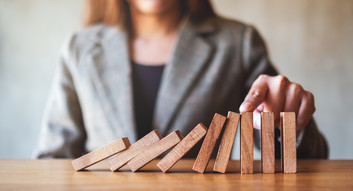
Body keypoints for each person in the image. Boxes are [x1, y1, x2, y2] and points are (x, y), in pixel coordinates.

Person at [34, 0, 328, 159]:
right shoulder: (80, 48)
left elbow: (306, 156)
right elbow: (53, 157)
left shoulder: (238, 43)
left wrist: (285, 122)